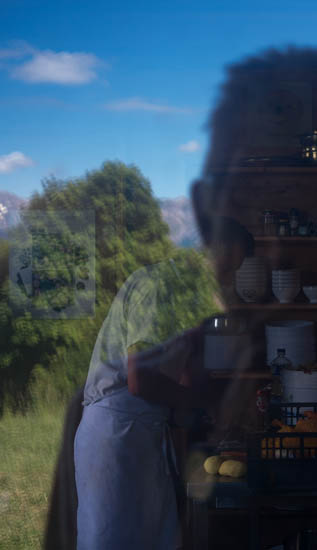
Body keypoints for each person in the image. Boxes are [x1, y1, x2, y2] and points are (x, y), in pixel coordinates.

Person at [73, 218, 252, 550]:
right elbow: (140, 380)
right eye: (226, 268)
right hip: (118, 436)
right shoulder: (157, 286)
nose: (225, 280)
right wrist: (200, 401)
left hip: (143, 433)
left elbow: (179, 375)